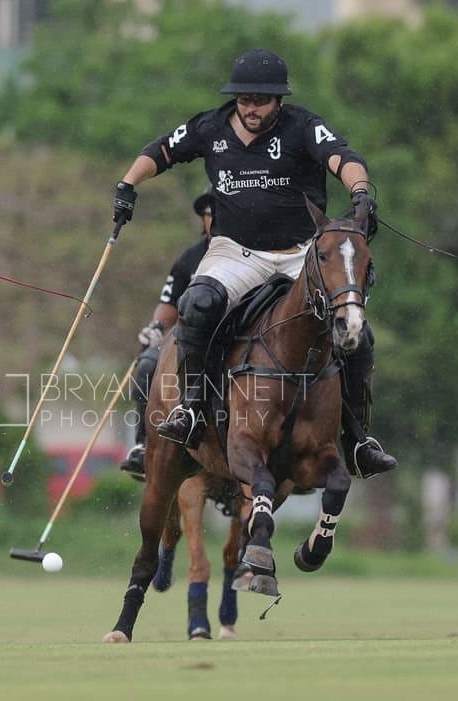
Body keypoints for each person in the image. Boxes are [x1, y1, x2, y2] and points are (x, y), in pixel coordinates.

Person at [111, 49, 396, 478]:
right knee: (198, 304)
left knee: (359, 333)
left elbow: (343, 157)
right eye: (244, 99)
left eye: (260, 101)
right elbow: (162, 150)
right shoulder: (211, 126)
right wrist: (128, 184)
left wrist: (360, 193)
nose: (250, 108)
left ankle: (357, 440)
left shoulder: (302, 126)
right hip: (235, 251)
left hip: (301, 255)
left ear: (278, 100)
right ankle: (190, 409)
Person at [119, 190, 214, 479]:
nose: (214, 219)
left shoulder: (256, 249)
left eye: (219, 211)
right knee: (148, 363)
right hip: (189, 338)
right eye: (208, 213)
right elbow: (169, 304)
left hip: (240, 337)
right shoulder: (190, 258)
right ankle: (142, 445)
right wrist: (157, 326)